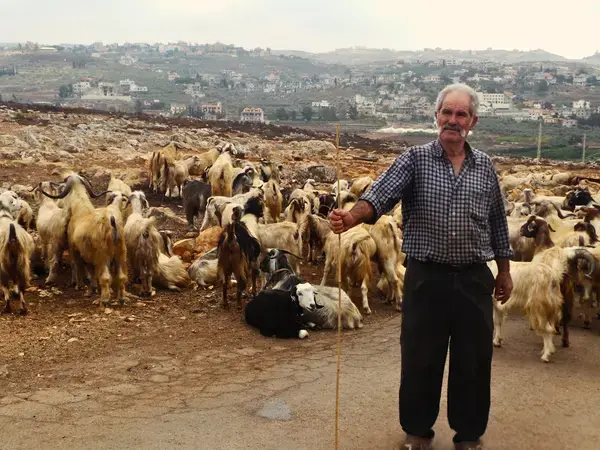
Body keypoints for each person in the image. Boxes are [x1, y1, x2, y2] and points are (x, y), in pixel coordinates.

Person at [328, 83, 513, 450]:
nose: (453, 120)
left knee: (473, 361)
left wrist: (504, 270)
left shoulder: (485, 167)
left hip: (475, 279)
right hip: (427, 278)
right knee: (420, 357)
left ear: (472, 121)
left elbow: (497, 223)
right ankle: (417, 431)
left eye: (461, 114)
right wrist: (351, 217)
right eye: (447, 112)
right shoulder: (415, 159)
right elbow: (379, 195)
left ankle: (469, 435)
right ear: (436, 116)